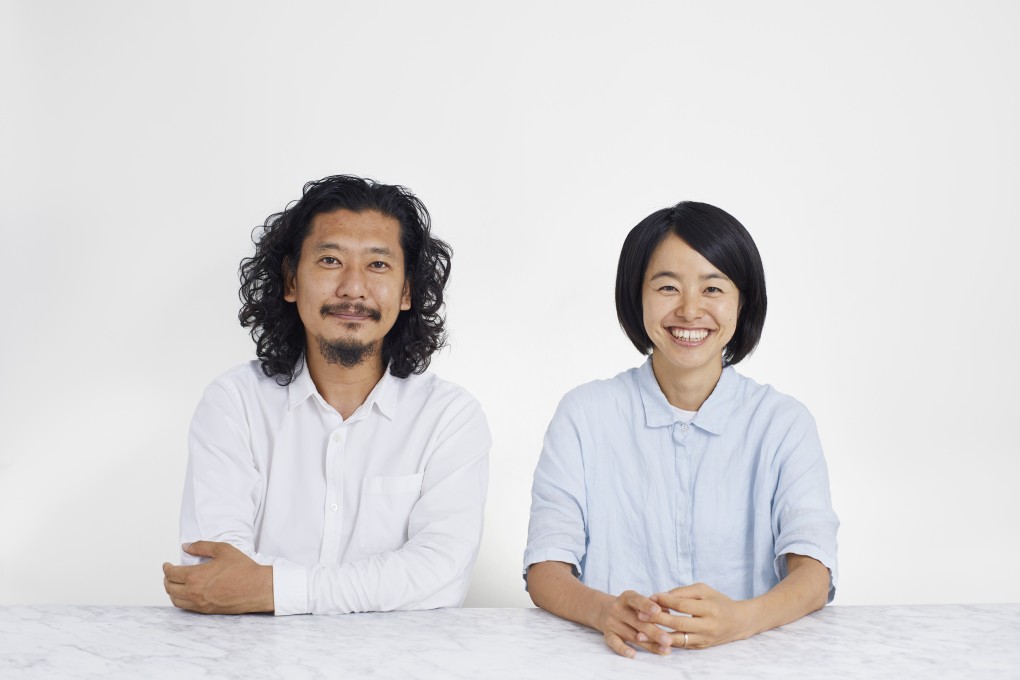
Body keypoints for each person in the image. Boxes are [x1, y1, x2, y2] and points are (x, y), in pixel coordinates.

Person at [162, 175, 490, 615]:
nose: (353, 288)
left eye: (377, 265)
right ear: (291, 280)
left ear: (407, 290)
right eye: (331, 260)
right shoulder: (234, 403)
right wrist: (380, 585)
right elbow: (215, 571)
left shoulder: (449, 417)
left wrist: (272, 589)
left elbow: (440, 577)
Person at [523, 201, 838, 657]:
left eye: (713, 288)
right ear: (638, 296)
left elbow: (814, 572)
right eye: (668, 287)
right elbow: (545, 569)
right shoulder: (584, 414)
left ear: (742, 300)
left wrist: (740, 619)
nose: (690, 310)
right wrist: (603, 611)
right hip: (615, 662)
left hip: (751, 660)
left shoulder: (783, 423)